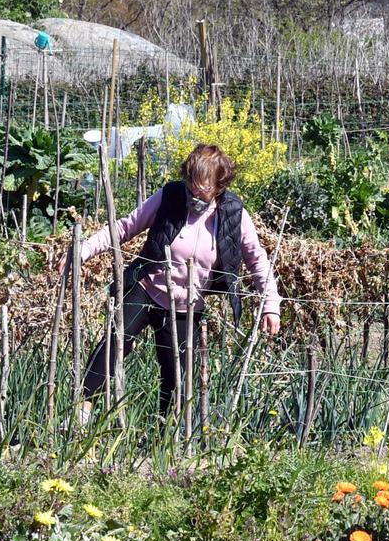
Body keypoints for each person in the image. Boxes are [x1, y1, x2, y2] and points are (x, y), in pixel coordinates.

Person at [74, 143, 281, 415]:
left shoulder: (233, 214)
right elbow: (125, 227)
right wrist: (83, 250)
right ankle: (81, 415)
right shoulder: (171, 196)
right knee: (114, 343)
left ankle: (164, 439)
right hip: (148, 288)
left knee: (178, 380)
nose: (194, 191)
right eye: (191, 183)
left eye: (203, 186)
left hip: (187, 305)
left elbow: (257, 259)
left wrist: (270, 305)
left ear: (219, 184)